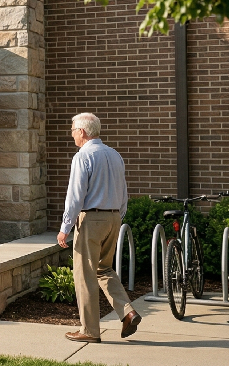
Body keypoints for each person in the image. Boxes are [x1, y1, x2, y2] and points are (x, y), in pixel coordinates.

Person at [57, 113, 140, 343]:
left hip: (91, 220)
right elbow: (124, 192)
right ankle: (127, 312)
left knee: (84, 275)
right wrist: (118, 216)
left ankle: (90, 331)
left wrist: (65, 227)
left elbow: (75, 197)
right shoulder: (115, 155)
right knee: (103, 269)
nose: (72, 134)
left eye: (73, 130)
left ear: (82, 132)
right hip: (113, 218)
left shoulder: (82, 156)